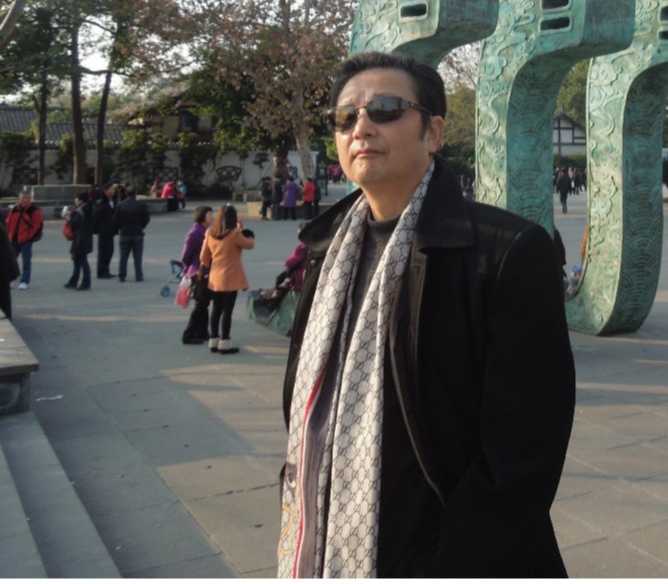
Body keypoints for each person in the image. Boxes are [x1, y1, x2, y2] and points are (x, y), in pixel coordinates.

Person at [277, 51, 575, 578]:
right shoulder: (326, 253)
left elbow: (523, 458)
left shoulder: (507, 252)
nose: (361, 127)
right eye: (345, 117)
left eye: (386, 110)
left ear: (433, 133)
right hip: (325, 546)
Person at [199, 204, 255, 354]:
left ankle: (214, 339)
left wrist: (213, 264)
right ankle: (225, 341)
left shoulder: (210, 233)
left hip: (215, 277)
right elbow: (249, 245)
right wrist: (244, 230)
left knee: (216, 308)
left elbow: (203, 257)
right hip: (231, 277)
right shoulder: (234, 234)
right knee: (227, 311)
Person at [180, 205, 214, 344]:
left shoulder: (206, 231)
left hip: (206, 272)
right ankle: (188, 334)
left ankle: (202, 331)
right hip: (197, 272)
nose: (212, 217)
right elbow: (185, 255)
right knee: (200, 304)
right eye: (209, 214)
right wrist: (190, 268)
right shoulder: (195, 232)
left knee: (204, 303)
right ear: (202, 216)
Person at [6, 189, 44, 289]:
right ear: (19, 199)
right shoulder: (14, 209)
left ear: (30, 199)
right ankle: (9, 279)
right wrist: (9, 235)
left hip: (26, 240)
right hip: (13, 239)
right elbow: (9, 222)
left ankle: (24, 281)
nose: (25, 200)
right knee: (10, 261)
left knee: (26, 261)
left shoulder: (34, 211)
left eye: (27, 198)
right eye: (23, 198)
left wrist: (28, 236)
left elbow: (36, 226)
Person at [113, 186, 150, 282]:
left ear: (126, 193)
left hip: (124, 232)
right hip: (137, 232)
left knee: (123, 256)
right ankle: (138, 275)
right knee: (137, 256)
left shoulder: (120, 205)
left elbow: (116, 220)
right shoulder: (141, 205)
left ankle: (122, 275)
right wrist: (142, 226)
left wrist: (120, 227)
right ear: (135, 194)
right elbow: (146, 218)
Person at [64, 191, 94, 291]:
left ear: (81, 201)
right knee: (77, 260)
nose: (75, 201)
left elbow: (74, 223)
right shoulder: (89, 208)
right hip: (85, 237)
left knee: (82, 261)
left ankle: (85, 282)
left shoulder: (81, 211)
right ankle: (74, 280)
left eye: (76, 199)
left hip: (80, 238)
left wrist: (67, 218)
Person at [94, 182, 118, 278]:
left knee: (109, 251)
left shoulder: (112, 201)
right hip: (103, 231)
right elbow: (97, 217)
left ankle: (106, 270)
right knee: (103, 252)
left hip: (110, 231)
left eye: (113, 189)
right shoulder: (101, 202)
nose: (113, 191)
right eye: (110, 189)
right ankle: (101, 272)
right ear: (105, 191)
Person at [0, 220, 20, 319]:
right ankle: (7, 317)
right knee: (4, 296)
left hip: (3, 267)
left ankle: (6, 318)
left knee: (3, 297)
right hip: (5, 267)